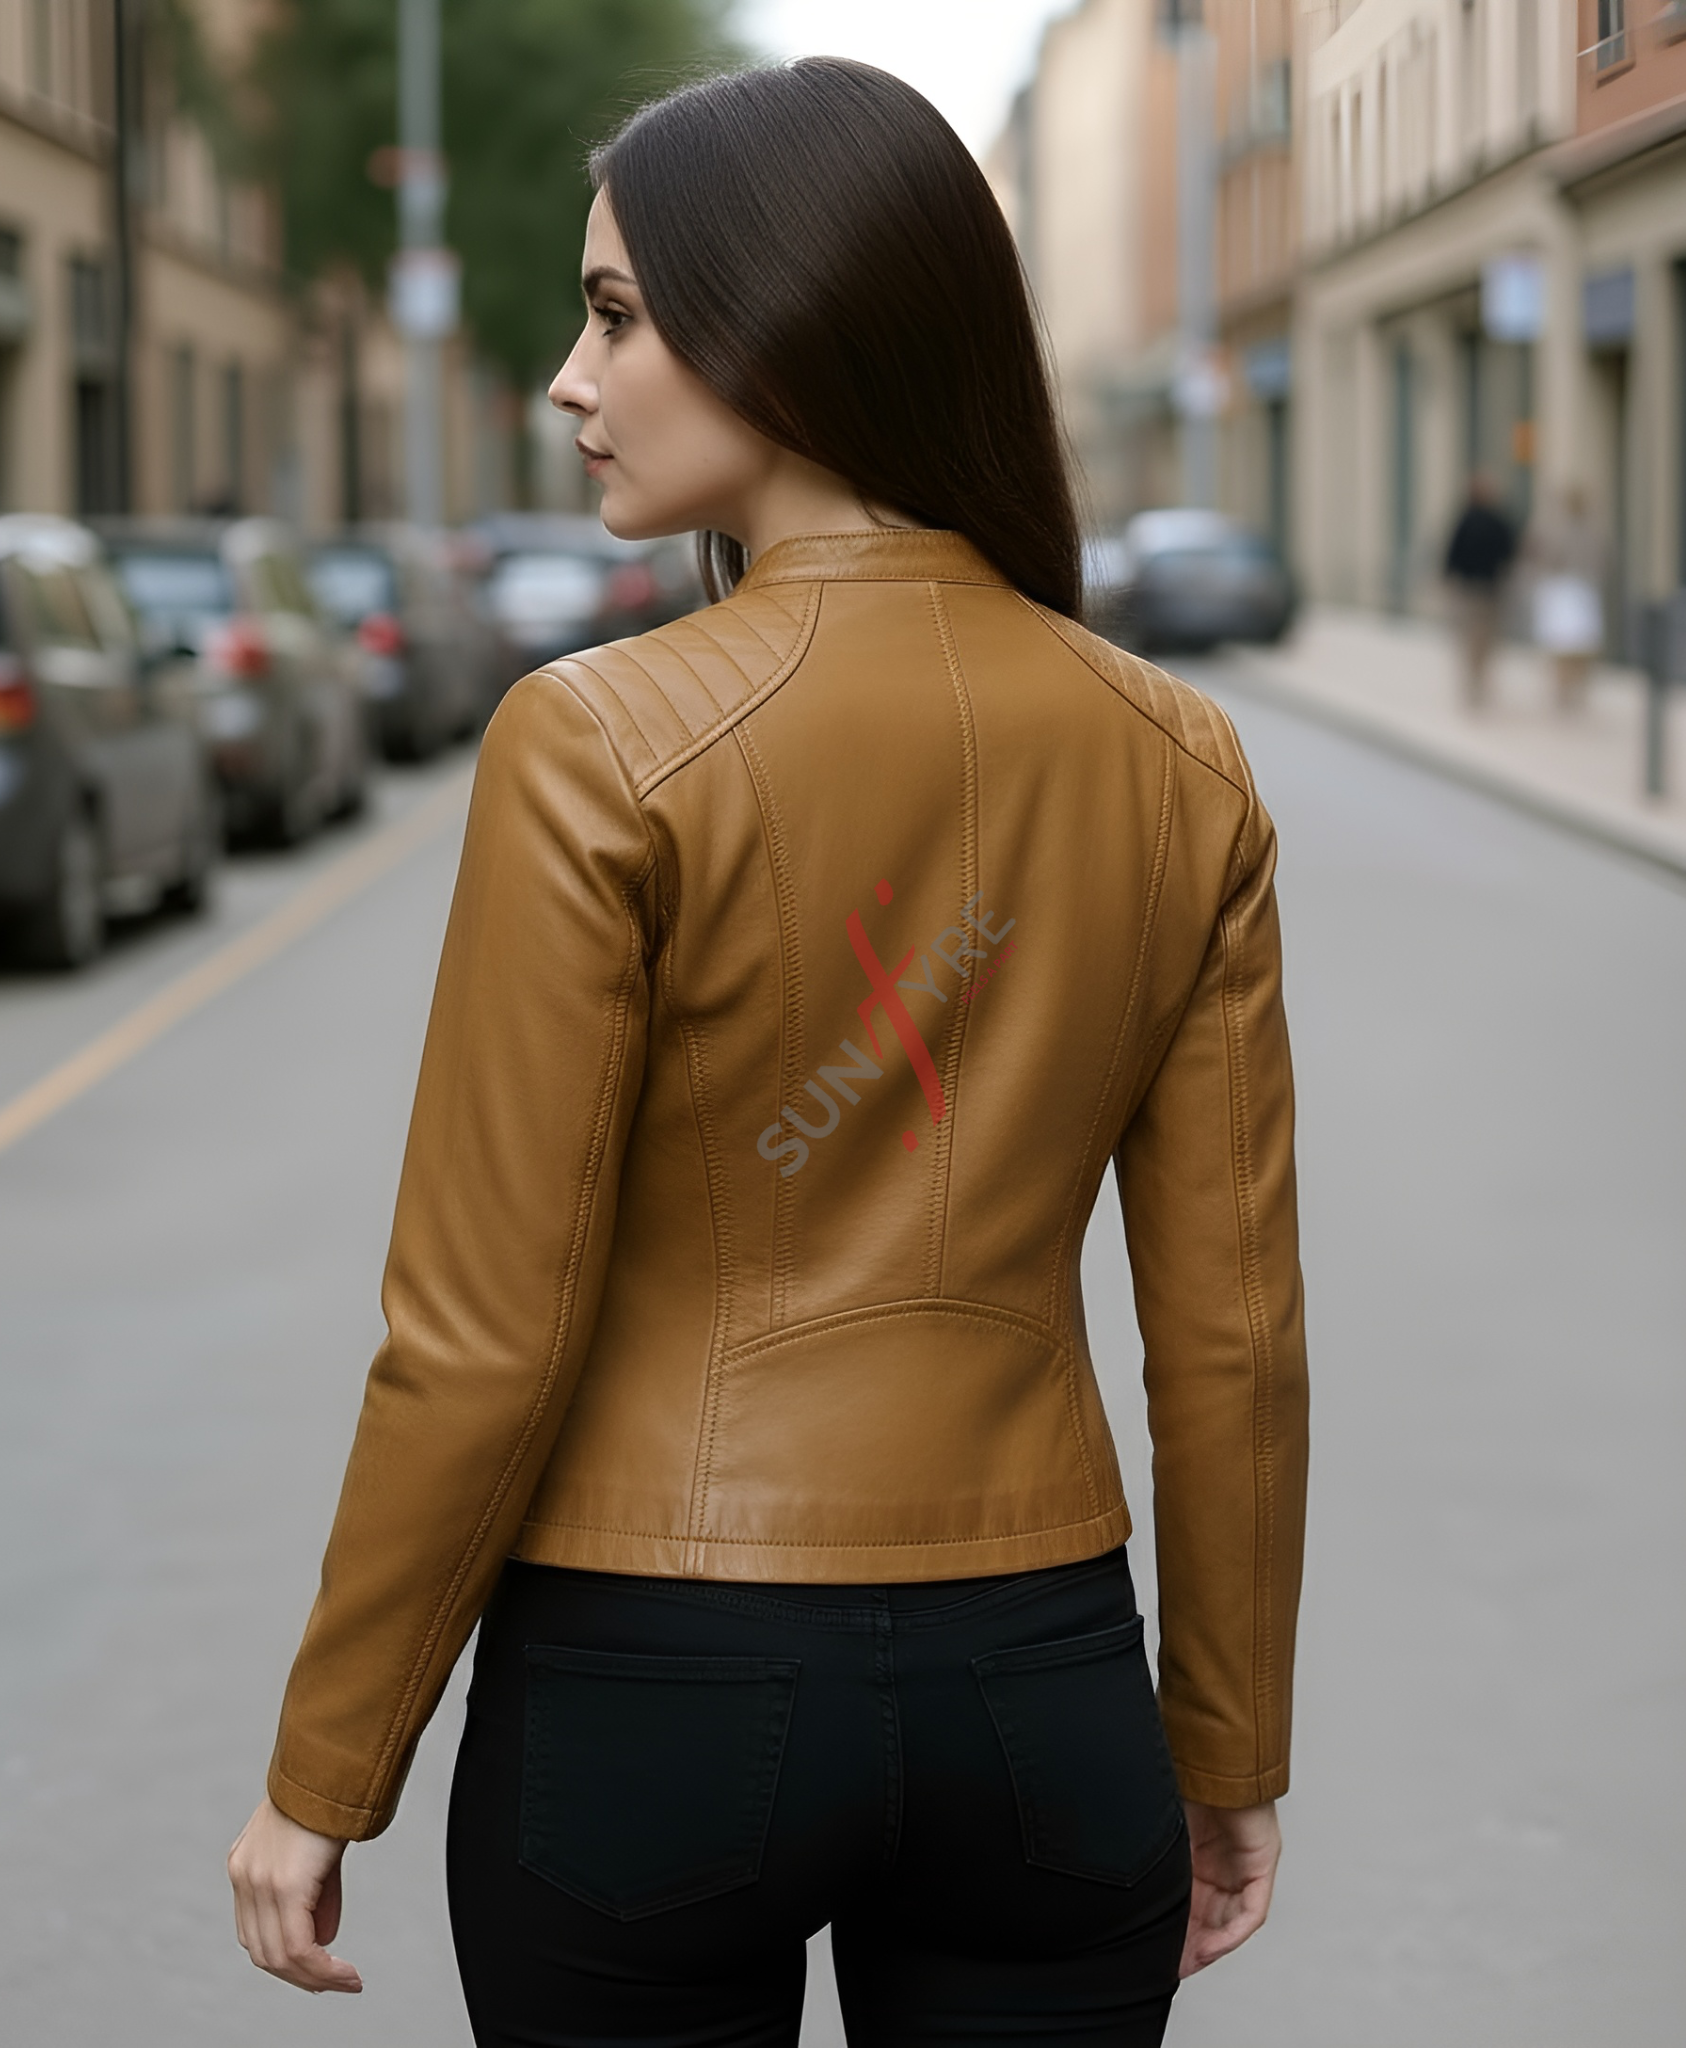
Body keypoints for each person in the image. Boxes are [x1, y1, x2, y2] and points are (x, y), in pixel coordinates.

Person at [228, 59, 1309, 2046]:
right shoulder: (1182, 760)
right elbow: (1233, 1334)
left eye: (619, 316)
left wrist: (328, 1765)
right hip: (1041, 1696)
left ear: (793, 325)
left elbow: (482, 1330)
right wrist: (1228, 1739)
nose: (572, 376)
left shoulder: (599, 745)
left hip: (654, 1698)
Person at [1525, 485, 1608, 713]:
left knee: (1568, 644)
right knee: (1576, 644)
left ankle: (1566, 688)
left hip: (1569, 591)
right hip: (1580, 591)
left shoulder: (1565, 531)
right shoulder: (1591, 532)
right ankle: (1572, 687)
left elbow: (1547, 559)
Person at [1443, 473, 1520, 710]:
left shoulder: (1480, 520)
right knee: (1480, 636)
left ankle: (1477, 677)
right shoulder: (1480, 520)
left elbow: (1452, 554)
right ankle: (1477, 677)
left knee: (1477, 637)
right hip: (1481, 589)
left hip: (1483, 589)